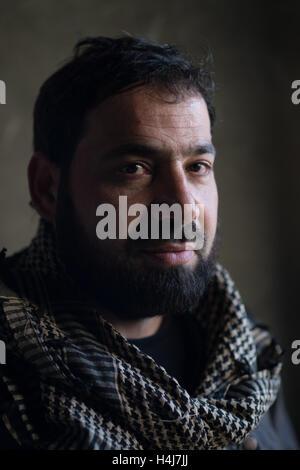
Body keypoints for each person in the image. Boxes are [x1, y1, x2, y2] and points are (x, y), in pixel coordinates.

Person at [0, 34, 298, 450]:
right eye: (134, 168)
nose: (182, 205)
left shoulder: (252, 362)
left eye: (198, 166)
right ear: (48, 188)